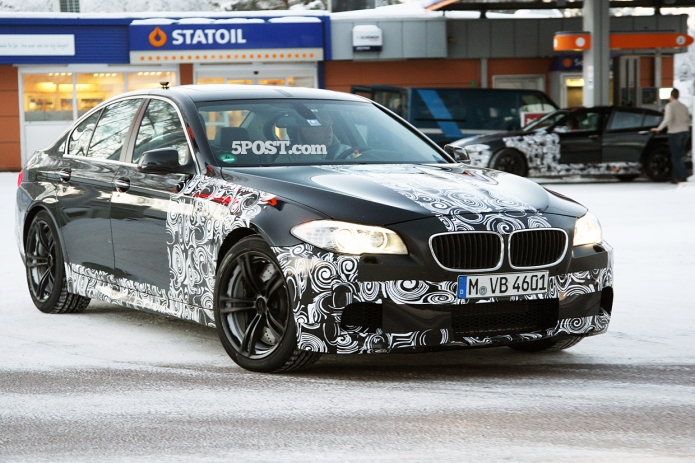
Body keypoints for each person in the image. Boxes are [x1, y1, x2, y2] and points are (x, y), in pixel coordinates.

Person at [651, 88, 691, 184]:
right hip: (685, 132)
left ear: (671, 96)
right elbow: (688, 118)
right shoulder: (684, 106)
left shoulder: (669, 106)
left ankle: (684, 175)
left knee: (675, 156)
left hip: (675, 132)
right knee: (679, 155)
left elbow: (668, 118)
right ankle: (674, 176)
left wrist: (659, 128)